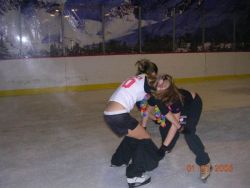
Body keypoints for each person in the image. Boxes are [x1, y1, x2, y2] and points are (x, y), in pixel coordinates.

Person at [103, 60, 181, 187]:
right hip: (119, 115)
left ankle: (118, 160)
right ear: (153, 73)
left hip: (109, 114)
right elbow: (162, 108)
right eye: (157, 77)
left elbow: (147, 105)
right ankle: (134, 176)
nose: (158, 81)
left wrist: (144, 123)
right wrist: (177, 124)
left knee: (135, 135)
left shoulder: (136, 78)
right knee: (145, 139)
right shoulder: (149, 81)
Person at [152, 74, 212, 182]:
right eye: (158, 85)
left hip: (193, 105)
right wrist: (156, 119)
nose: (160, 87)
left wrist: (163, 148)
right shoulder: (157, 95)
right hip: (177, 109)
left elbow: (176, 125)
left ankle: (205, 162)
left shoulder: (175, 99)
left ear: (169, 87)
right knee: (164, 126)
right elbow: (155, 112)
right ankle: (168, 147)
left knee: (188, 133)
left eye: (164, 85)